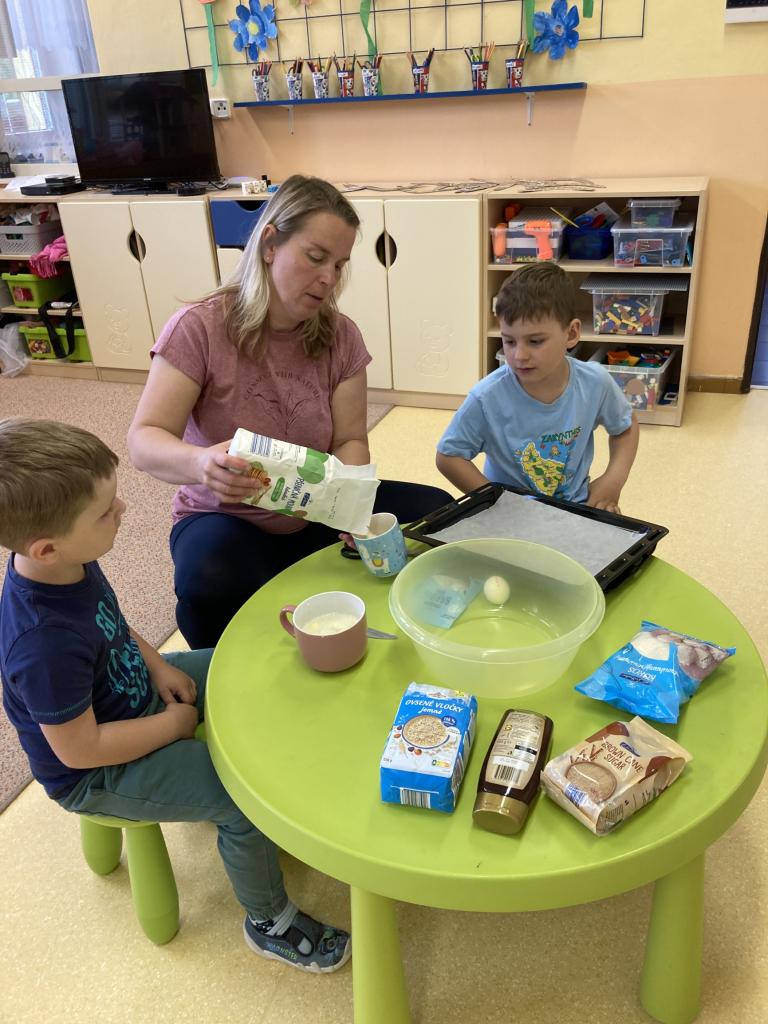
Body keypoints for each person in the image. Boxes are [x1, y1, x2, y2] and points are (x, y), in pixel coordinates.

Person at [0, 418, 350, 973]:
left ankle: (293, 776)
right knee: (239, 796)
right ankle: (269, 922)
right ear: (45, 548)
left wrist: (158, 663)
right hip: (99, 771)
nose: (123, 510)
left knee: (244, 664)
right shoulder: (41, 643)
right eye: (105, 512)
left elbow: (110, 622)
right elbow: (79, 750)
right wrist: (171, 725)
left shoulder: (68, 562)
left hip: (133, 694)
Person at [128, 175, 450, 649]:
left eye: (339, 265)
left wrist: (352, 505)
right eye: (316, 257)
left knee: (437, 512)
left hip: (314, 509)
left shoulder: (341, 336)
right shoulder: (198, 329)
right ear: (270, 244)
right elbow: (144, 439)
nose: (329, 279)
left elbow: (349, 439)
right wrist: (200, 463)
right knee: (211, 578)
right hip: (227, 518)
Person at [436, 263, 639, 513]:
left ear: (571, 333)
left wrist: (613, 480)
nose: (519, 355)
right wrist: (496, 502)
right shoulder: (486, 397)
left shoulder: (595, 382)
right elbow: (449, 456)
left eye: (535, 341)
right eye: (509, 341)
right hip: (513, 516)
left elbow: (626, 427)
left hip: (576, 507)